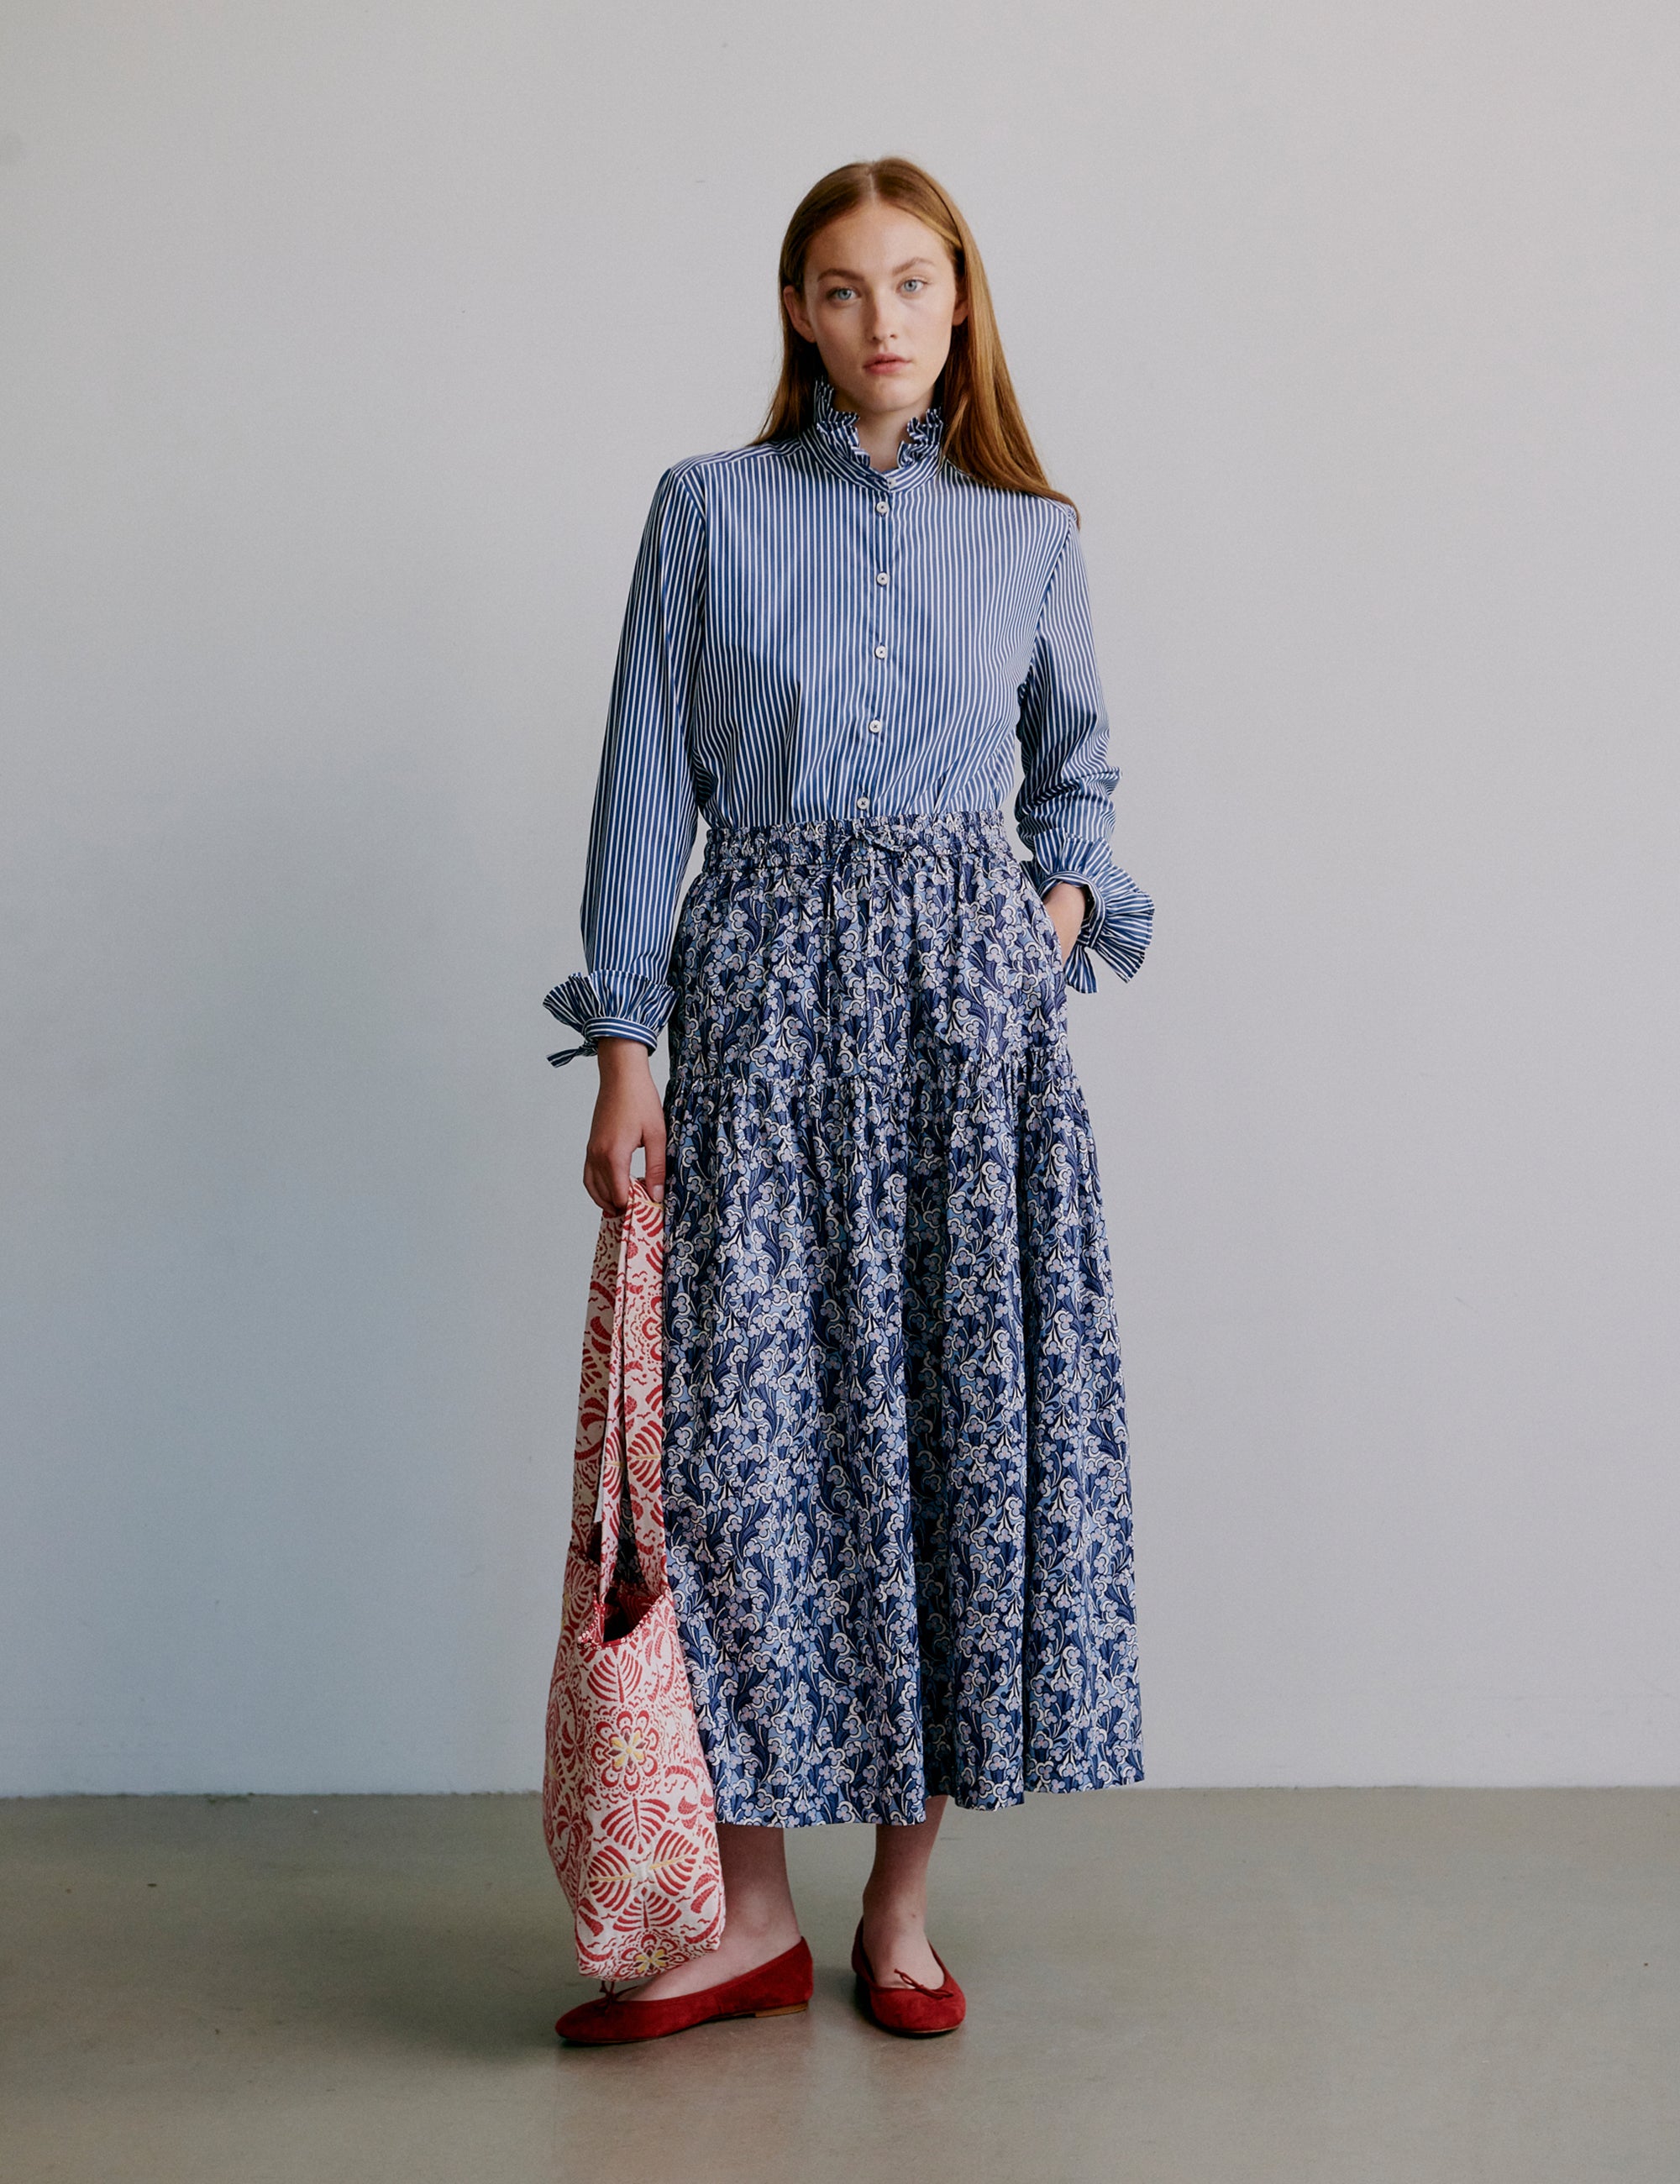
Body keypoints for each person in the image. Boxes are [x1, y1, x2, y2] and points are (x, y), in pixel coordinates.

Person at [545, 155, 1153, 2045]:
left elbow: (1080, 786)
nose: (878, 318)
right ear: (796, 314)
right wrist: (626, 1048)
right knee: (741, 1465)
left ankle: (898, 1907)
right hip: (756, 1025)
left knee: (947, 1450)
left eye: (912, 282)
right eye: (837, 286)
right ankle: (741, 1916)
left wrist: (1041, 923)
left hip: (964, 1052)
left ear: (959, 305)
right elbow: (648, 787)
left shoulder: (1031, 530)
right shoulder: (706, 512)